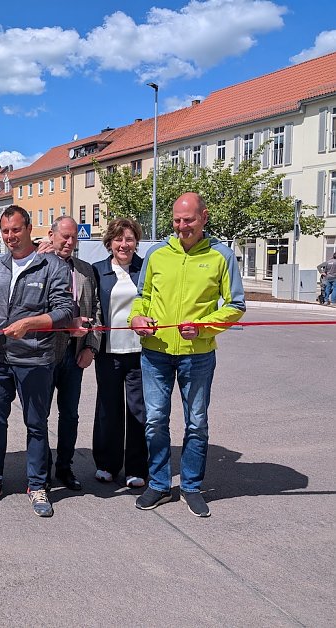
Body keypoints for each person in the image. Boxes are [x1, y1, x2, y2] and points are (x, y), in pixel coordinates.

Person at [129, 192, 245, 517]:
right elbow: (142, 296)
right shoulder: (157, 254)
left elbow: (236, 305)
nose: (182, 226)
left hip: (198, 354)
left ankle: (191, 486)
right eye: (177, 220)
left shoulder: (221, 256)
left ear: (204, 217)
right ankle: (160, 484)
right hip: (155, 353)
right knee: (155, 421)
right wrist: (136, 318)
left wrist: (205, 327)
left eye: (189, 220)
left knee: (197, 423)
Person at [0, 205, 82, 517]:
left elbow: (65, 310)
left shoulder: (52, 266)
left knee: (36, 424)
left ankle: (37, 485)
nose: (9, 236)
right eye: (5, 231)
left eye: (15, 230)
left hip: (35, 358)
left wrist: (30, 324)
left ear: (29, 228)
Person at [38, 216, 101, 491]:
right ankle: (41, 470)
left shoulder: (86, 270)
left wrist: (91, 347)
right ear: (50, 236)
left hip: (75, 355)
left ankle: (64, 467)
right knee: (39, 416)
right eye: (63, 236)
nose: (69, 242)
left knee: (70, 415)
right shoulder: (37, 265)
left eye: (74, 237)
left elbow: (97, 310)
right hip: (43, 353)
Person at [91, 218, 148, 488]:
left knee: (138, 410)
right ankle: (107, 463)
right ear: (110, 243)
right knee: (108, 409)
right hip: (108, 352)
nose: (124, 244)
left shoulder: (145, 269)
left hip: (140, 352)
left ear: (136, 242)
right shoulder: (97, 271)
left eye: (129, 239)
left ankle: (136, 467)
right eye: (118, 239)